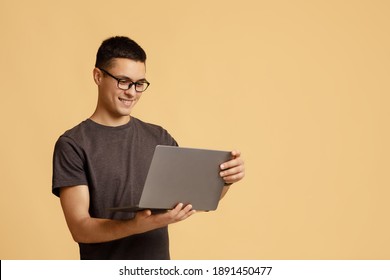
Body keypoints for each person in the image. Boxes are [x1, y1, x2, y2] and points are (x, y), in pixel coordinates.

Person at [52, 36, 245, 260]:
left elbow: (193, 200)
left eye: (139, 84)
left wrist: (226, 179)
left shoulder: (159, 137)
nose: (132, 92)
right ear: (98, 76)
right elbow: (80, 228)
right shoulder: (73, 144)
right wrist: (138, 225)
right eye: (123, 81)